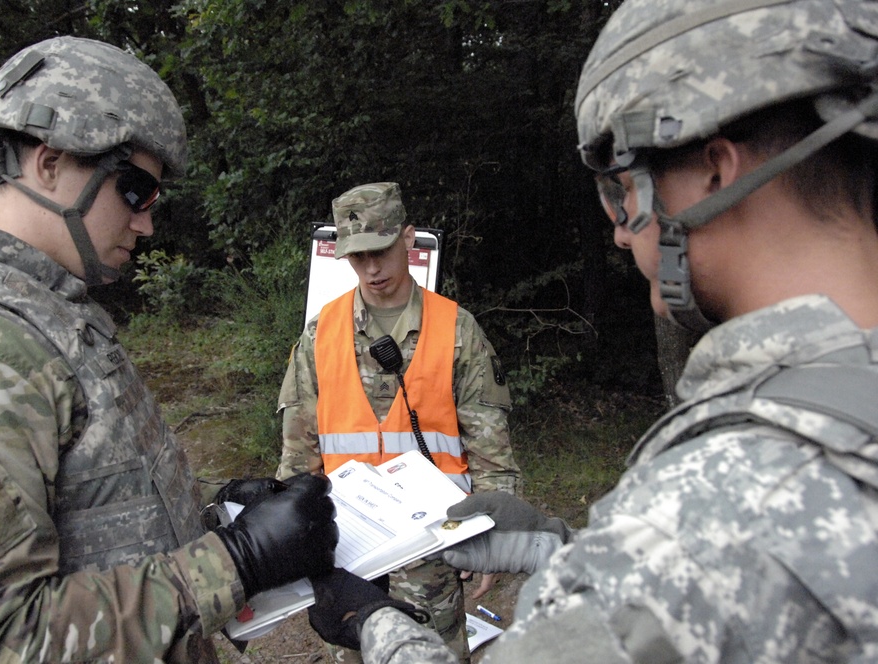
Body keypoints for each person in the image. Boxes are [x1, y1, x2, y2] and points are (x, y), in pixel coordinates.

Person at [310, 0, 878, 661]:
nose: (616, 229)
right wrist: (564, 550)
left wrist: (374, 623)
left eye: (621, 189)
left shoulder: (716, 502)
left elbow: (700, 566)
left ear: (715, 173)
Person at [0, 36, 338, 663]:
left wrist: (217, 514)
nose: (146, 222)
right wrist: (237, 561)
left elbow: (88, 515)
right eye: (134, 190)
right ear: (49, 163)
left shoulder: (47, 317)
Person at [276, 182, 520, 662]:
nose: (370, 268)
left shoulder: (457, 331)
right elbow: (297, 455)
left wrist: (492, 538)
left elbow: (491, 450)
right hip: (350, 551)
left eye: (380, 251)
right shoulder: (320, 335)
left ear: (408, 239)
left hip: (434, 548)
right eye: (356, 256)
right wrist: (295, 538)